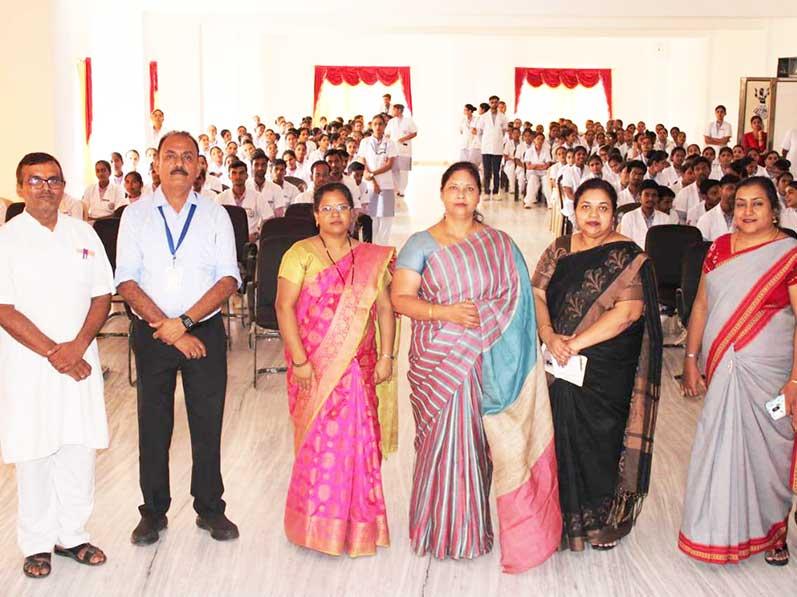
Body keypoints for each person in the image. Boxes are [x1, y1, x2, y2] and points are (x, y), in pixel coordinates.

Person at [391, 162, 561, 573]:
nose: (462, 194)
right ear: (442, 193)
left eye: (469, 188)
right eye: (454, 187)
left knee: (476, 445)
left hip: (487, 358)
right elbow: (400, 299)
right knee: (439, 444)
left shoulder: (499, 242)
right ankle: (435, 527)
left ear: (479, 194)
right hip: (439, 359)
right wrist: (443, 312)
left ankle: (470, 529)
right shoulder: (421, 243)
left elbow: (518, 301)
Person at [115, 131, 241, 546]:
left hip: (201, 331)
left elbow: (228, 279)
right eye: (171, 155)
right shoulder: (134, 215)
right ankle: (153, 512)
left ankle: (210, 509)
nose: (179, 162)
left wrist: (183, 323)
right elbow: (127, 282)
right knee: (154, 425)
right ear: (156, 164)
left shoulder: (215, 214)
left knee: (207, 422)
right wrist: (167, 326)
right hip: (152, 332)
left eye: (188, 156)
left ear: (200, 166)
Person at [532, 178, 663, 552]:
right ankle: (558, 517)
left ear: (614, 213)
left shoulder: (628, 255)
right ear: (574, 211)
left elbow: (628, 312)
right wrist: (548, 333)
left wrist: (572, 344)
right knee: (557, 431)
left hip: (605, 364)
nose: (593, 215)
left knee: (601, 437)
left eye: (603, 208)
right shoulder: (559, 249)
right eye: (586, 207)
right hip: (557, 355)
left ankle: (603, 520)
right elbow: (536, 291)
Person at [0, 152, 114, 578]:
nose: (45, 188)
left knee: (77, 447)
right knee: (33, 450)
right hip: (29, 365)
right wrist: (55, 352)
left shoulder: (82, 233)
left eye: (53, 180)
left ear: (63, 186)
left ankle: (73, 536)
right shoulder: (7, 239)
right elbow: (4, 309)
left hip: (79, 362)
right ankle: (36, 544)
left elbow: (103, 295)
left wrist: (77, 347)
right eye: (35, 180)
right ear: (20, 187)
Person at [679, 176, 797, 566]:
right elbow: (700, 305)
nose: (746, 211)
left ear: (774, 209)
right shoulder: (719, 249)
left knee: (769, 452)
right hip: (721, 365)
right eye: (741, 203)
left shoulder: (789, 253)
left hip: (771, 372)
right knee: (719, 444)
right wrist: (691, 359)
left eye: (757, 204)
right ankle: (715, 531)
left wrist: (794, 381)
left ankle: (774, 531)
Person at [275, 182, 397, 556]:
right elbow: (283, 307)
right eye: (326, 208)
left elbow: (386, 309)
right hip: (314, 367)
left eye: (342, 207)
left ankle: (358, 526)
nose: (335, 214)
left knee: (358, 447)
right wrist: (299, 361)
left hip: (359, 369)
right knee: (319, 447)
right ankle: (315, 528)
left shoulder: (371, 257)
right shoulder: (299, 254)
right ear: (315, 215)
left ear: (354, 213)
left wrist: (387, 355)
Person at [357, 114, 398, 245]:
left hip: (386, 184)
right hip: (370, 185)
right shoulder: (365, 142)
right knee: (373, 218)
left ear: (385, 126)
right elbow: (362, 161)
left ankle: (383, 247)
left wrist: (372, 173)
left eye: (381, 124)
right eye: (375, 124)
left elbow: (390, 165)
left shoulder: (390, 143)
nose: (378, 127)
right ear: (371, 125)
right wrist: (372, 179)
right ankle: (374, 248)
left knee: (386, 218)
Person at [216, 159, 274, 242]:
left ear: (246, 175)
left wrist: (258, 235)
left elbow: (269, 220)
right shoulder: (220, 198)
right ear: (229, 176)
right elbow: (214, 223)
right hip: (227, 242)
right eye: (234, 173)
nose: (238, 177)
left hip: (251, 243)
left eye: (241, 173)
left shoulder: (257, 196)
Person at [473, 96, 508, 200]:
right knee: (487, 171)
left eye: (495, 102)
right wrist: (482, 143)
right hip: (486, 148)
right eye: (492, 102)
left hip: (497, 148)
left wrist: (501, 142)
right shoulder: (483, 117)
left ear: (498, 103)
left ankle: (496, 192)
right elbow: (479, 133)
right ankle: (487, 192)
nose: (494, 104)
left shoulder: (502, 117)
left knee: (496, 171)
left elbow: (505, 132)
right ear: (489, 103)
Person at [618, 179, 670, 248]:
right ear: (639, 197)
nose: (650, 198)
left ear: (657, 198)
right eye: (646, 195)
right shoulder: (628, 217)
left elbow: (666, 245)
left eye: (654, 195)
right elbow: (625, 245)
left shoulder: (666, 219)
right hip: (635, 257)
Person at [384, 104, 417, 198]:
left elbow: (414, 133)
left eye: (394, 110)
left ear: (399, 110)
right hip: (393, 149)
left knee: (403, 171)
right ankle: (396, 189)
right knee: (394, 170)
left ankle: (402, 190)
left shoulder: (408, 121)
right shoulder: (391, 121)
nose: (392, 112)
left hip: (404, 149)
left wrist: (404, 138)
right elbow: (387, 133)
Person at [696, 174, 738, 240]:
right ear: (720, 190)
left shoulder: (746, 217)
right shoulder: (706, 219)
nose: (734, 192)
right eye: (730, 188)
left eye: (737, 189)